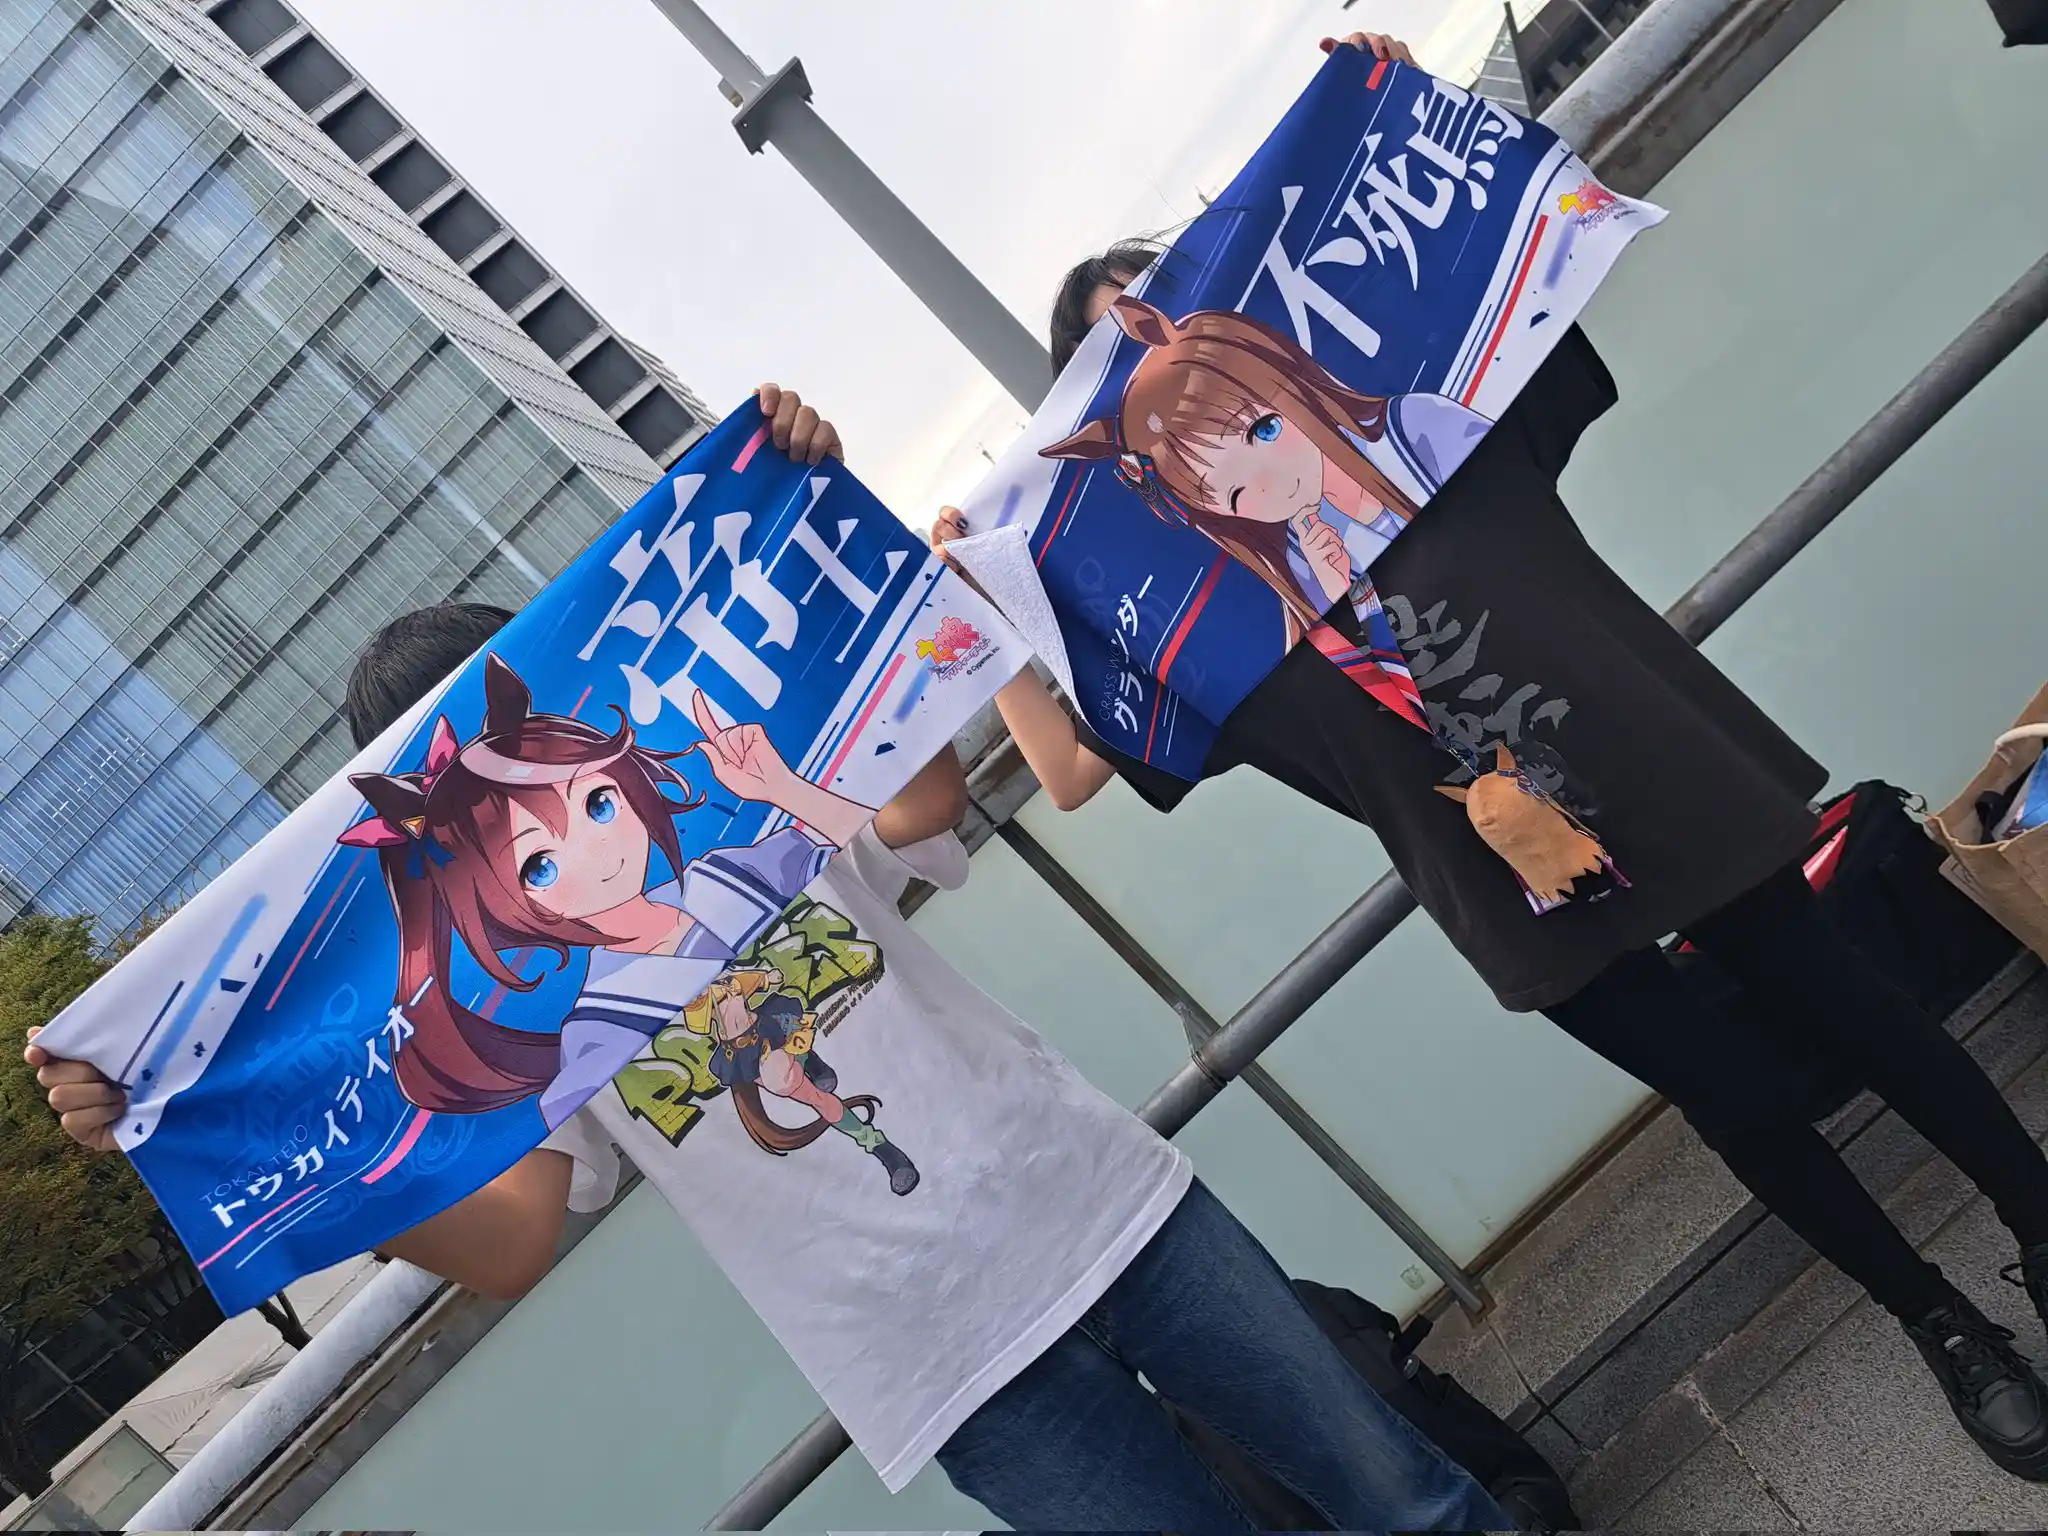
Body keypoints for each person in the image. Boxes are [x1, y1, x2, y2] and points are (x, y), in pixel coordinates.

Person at [28, 388, 1507, 1531]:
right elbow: (512, 1241)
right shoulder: (521, 1025)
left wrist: (819, 516)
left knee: (1414, 1503)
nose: (576, 844)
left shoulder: (741, 821)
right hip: (933, 1359)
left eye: (575, 793)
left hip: (1100, 1203)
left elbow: (923, 803)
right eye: (520, 851)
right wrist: (245, 1145)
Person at [931, 28, 2048, 1482]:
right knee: (1734, 1100)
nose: (1171, 373)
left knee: (1849, 998)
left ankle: (2036, 1217)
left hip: (1643, 757)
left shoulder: (1428, 432)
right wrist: (994, 607)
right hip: (1501, 871)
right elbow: (1082, 770)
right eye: (1118, 361)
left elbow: (1516, 276)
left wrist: (1411, 108)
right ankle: (1942, 1324)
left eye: (1171, 319)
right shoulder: (1215, 633)